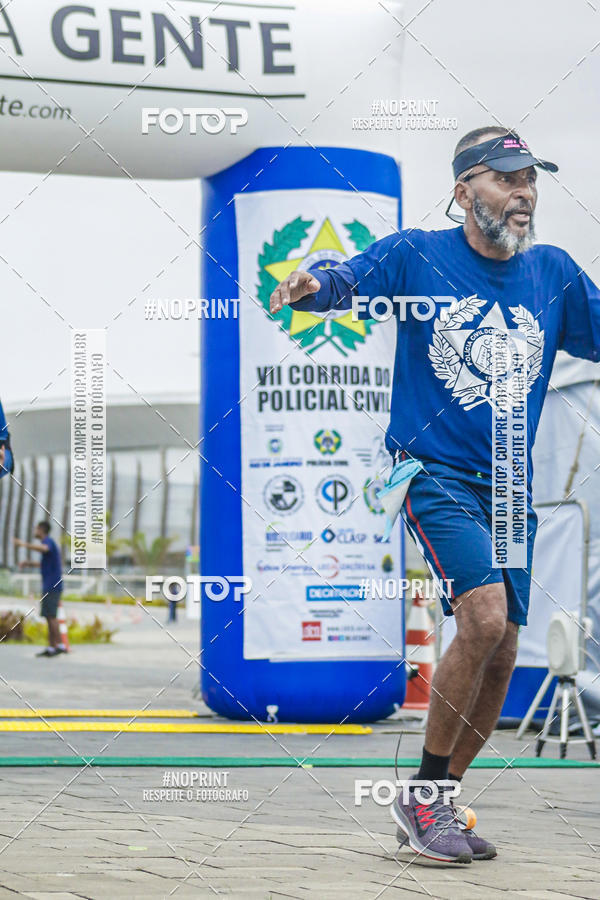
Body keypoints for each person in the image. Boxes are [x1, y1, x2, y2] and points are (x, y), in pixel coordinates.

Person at [269, 126, 599, 863]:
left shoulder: (553, 273)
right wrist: (311, 283)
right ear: (464, 191)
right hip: (433, 471)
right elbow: (342, 273)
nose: (524, 193)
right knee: (481, 618)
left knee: (506, 646)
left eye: (531, 180)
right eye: (507, 179)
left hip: (513, 486)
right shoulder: (419, 255)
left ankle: (441, 799)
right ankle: (420, 799)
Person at [15, 521, 66, 657]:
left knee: (51, 616)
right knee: (49, 617)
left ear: (41, 530)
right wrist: (29, 563)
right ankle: (51, 647)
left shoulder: (48, 541)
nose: (34, 531)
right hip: (50, 585)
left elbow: (44, 549)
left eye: (36, 529)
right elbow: (44, 563)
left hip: (52, 586)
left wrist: (24, 545)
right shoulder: (49, 543)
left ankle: (59, 646)